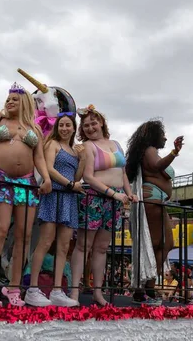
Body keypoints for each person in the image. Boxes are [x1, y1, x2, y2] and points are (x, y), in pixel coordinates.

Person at [0, 55, 52, 306]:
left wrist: (46, 178)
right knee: (0, 231)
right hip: (1, 180)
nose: (10, 101)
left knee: (25, 236)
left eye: (15, 98)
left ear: (25, 102)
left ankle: (14, 288)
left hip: (26, 185)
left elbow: (38, 157)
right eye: (8, 98)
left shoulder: (34, 129)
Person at [69, 104, 137, 306]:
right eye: (86, 125)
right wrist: (112, 194)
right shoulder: (88, 147)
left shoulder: (116, 143)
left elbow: (123, 172)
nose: (90, 128)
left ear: (101, 123)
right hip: (94, 197)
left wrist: (129, 193)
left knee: (101, 248)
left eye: (93, 123)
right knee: (83, 246)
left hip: (115, 200)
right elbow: (88, 176)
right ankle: (74, 292)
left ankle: (98, 293)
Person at [26, 113, 86, 307]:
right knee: (45, 242)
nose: (64, 128)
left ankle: (57, 290)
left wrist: (83, 158)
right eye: (61, 125)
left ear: (74, 128)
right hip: (55, 195)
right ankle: (33, 288)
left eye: (68, 125)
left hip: (68, 198)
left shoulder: (75, 150)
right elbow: (49, 169)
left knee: (63, 247)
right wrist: (69, 184)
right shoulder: (52, 144)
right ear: (57, 127)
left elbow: (78, 175)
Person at [125, 119, 183, 304]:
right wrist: (174, 152)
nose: (165, 138)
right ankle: (142, 288)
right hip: (152, 204)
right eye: (162, 134)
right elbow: (158, 167)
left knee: (162, 245)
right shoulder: (149, 150)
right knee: (158, 245)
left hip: (156, 203)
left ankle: (147, 286)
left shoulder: (149, 151)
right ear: (153, 136)